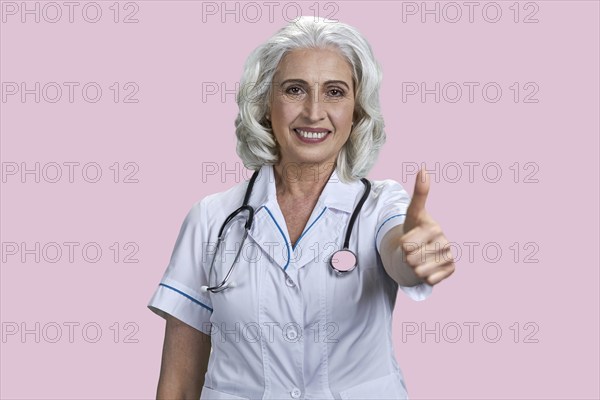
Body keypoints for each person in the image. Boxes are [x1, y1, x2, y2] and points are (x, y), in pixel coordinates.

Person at [148, 16, 456, 400]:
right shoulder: (211, 219)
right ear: (264, 103)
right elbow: (178, 384)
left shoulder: (381, 206)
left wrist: (414, 254)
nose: (313, 112)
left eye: (335, 92)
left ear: (357, 110)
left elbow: (399, 249)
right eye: (295, 90)